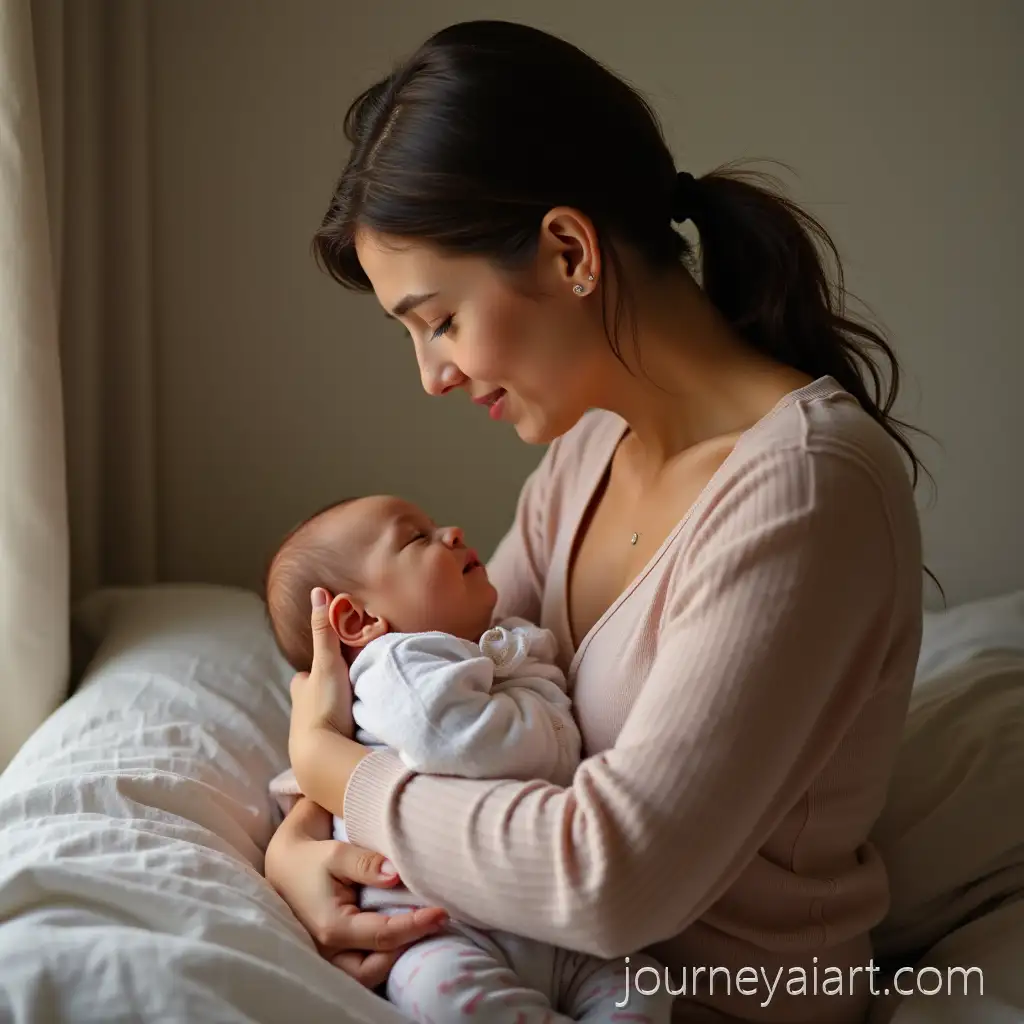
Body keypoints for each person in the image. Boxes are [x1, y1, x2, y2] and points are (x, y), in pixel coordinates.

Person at [263, 19, 926, 1024]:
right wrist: (299, 839)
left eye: (438, 319)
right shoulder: (584, 454)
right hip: (536, 972)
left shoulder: (806, 490)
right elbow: (442, 689)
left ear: (570, 249)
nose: (432, 375)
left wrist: (338, 777)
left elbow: (612, 880)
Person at [262, 493, 674, 1022]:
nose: (452, 531)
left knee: (640, 985)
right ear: (358, 620)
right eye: (416, 538)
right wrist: (535, 686)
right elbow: (471, 740)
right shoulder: (399, 665)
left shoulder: (467, 650)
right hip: (440, 929)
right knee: (442, 993)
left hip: (547, 924)